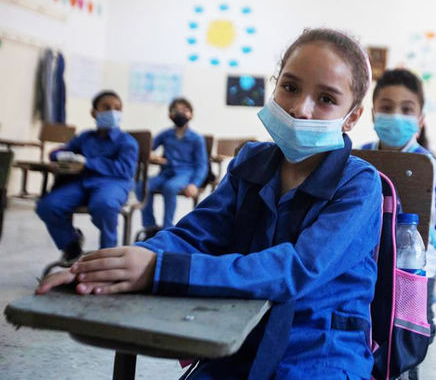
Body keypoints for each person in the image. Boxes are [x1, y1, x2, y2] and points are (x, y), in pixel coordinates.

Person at [37, 28, 382, 380]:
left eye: (326, 99)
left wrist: (161, 270)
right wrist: (120, 264)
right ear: (275, 86)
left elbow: (298, 268)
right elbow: (194, 234)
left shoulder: (359, 184)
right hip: (238, 336)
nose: (300, 109)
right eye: (290, 87)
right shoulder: (252, 162)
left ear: (352, 117)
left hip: (319, 349)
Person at [361, 69, 436, 380]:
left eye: (406, 109)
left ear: (420, 118)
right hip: (372, 256)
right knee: (374, 319)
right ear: (372, 113)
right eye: (386, 107)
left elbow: (433, 225)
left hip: (415, 260)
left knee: (412, 326)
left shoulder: (428, 164)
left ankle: (405, 365)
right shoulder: (360, 157)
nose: (395, 116)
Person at [36, 90, 138, 262]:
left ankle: (108, 256)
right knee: (47, 206)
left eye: (117, 108)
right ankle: (71, 243)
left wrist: (88, 163)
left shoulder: (127, 141)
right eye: (106, 107)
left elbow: (126, 169)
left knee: (104, 205)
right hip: (82, 183)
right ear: (94, 112)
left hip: (113, 183)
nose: (112, 112)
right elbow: (64, 151)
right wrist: (59, 154)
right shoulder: (85, 137)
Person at [138, 97, 207, 229]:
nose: (180, 113)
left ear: (191, 114)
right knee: (142, 186)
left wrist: (194, 184)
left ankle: (167, 227)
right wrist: (151, 155)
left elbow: (201, 164)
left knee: (170, 187)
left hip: (185, 173)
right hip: (166, 172)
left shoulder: (197, 139)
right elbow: (148, 148)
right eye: (176, 110)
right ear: (170, 115)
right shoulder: (166, 134)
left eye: (185, 110)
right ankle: (150, 226)